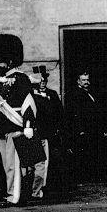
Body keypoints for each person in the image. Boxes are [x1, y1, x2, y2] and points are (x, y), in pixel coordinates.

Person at [0, 34, 39, 207]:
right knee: (7, 165)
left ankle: (15, 196)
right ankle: (11, 192)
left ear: (10, 61)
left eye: (1, 61)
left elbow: (28, 103)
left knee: (14, 164)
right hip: (1, 127)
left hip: (14, 123)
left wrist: (28, 124)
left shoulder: (21, 78)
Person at [30, 66, 65, 202]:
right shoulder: (32, 95)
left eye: (45, 79)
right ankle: (37, 190)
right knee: (39, 163)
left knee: (52, 162)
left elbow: (59, 114)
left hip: (52, 135)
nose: (43, 81)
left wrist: (58, 130)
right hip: (39, 133)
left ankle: (50, 189)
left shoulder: (53, 94)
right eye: (40, 79)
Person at [67, 70, 107, 185]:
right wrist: (79, 129)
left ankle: (92, 176)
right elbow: (75, 113)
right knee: (83, 154)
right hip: (83, 129)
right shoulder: (74, 94)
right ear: (78, 81)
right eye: (83, 80)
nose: (86, 82)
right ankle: (83, 178)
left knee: (93, 153)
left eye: (87, 80)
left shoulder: (92, 93)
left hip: (94, 128)